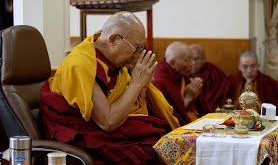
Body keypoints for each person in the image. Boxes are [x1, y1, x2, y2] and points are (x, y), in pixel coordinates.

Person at [40, 12, 179, 164]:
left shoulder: (114, 64)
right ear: (113, 40)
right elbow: (108, 122)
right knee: (148, 153)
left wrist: (142, 84)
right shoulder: (81, 64)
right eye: (137, 48)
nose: (137, 55)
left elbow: (134, 108)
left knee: (163, 140)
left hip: (111, 133)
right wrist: (136, 83)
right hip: (86, 139)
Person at [153, 42, 202, 125]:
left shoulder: (180, 75)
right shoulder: (160, 80)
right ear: (172, 62)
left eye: (192, 59)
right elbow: (169, 116)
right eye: (187, 60)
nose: (192, 64)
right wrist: (188, 97)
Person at [213, 51, 278, 112]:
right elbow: (219, 106)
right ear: (239, 67)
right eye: (245, 67)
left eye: (253, 66)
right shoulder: (230, 81)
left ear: (258, 66)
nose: (249, 71)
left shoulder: (268, 82)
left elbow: (276, 108)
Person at [188, 44, 225, 116]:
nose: (193, 62)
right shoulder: (182, 71)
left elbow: (220, 97)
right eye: (190, 58)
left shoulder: (214, 73)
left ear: (204, 59)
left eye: (197, 59)